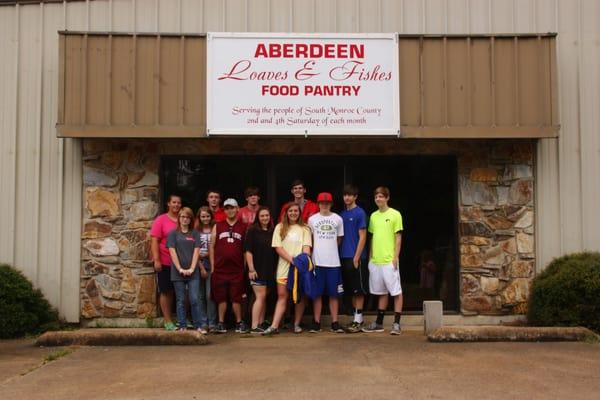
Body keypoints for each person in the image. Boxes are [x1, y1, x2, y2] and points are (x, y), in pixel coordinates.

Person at [263, 203, 311, 335]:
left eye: (296, 211)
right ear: (286, 213)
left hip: (299, 268)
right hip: (284, 268)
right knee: (282, 296)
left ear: (299, 213)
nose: (293, 213)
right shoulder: (280, 227)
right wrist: (292, 260)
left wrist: (301, 262)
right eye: (291, 211)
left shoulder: (305, 228)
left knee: (299, 296)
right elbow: (278, 247)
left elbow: (306, 249)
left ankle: (296, 324)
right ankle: (274, 326)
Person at [362, 186, 404, 335]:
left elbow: (398, 238)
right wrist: (371, 259)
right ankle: (379, 323)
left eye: (381, 196)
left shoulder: (395, 214)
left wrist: (395, 257)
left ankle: (397, 324)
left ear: (387, 198)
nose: (378, 199)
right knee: (381, 292)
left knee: (396, 292)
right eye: (376, 197)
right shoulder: (373, 216)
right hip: (376, 261)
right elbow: (372, 238)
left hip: (389, 260)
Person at [307, 192, 345, 333]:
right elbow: (309, 238)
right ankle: (316, 322)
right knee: (317, 294)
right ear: (318, 204)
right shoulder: (312, 219)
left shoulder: (338, 219)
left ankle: (335, 322)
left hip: (333, 262)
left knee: (334, 294)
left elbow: (339, 239)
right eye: (322, 203)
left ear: (331, 204)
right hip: (317, 262)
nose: (324, 205)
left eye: (327, 203)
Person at [209, 198, 248, 334]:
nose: (230, 210)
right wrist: (213, 267)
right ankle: (221, 323)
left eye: (232, 208)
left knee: (236, 297)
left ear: (237, 209)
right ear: (224, 210)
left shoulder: (243, 227)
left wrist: (244, 268)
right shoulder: (217, 225)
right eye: (227, 208)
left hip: (236, 269)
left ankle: (239, 322)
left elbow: (245, 249)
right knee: (221, 298)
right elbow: (212, 246)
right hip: (220, 269)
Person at [166, 207, 202, 332]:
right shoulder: (173, 234)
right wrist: (180, 268)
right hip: (177, 273)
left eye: (187, 217)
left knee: (194, 299)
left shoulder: (195, 233)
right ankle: (182, 325)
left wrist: (192, 268)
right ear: (179, 218)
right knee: (180, 299)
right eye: (182, 217)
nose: (185, 219)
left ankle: (199, 325)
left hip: (194, 273)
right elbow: (172, 252)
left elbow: (197, 252)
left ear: (191, 219)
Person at [339, 184, 369, 333]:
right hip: (343, 257)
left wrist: (356, 257)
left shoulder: (360, 213)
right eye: (345, 195)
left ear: (355, 197)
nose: (347, 197)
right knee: (350, 290)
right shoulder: (341, 214)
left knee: (359, 290)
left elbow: (363, 237)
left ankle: (359, 319)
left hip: (356, 257)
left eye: (350, 195)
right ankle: (355, 318)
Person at [150, 194, 181, 331]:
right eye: (173, 202)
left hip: (181, 263)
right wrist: (157, 260)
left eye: (178, 203)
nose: (176, 205)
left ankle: (181, 319)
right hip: (165, 261)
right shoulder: (161, 220)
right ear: (168, 204)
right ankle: (167, 320)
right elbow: (154, 240)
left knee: (180, 292)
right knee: (166, 291)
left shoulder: (183, 219)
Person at [244, 206, 277, 333]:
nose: (265, 218)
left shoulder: (272, 231)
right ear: (258, 217)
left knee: (264, 297)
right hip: (257, 269)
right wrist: (251, 269)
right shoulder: (252, 230)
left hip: (269, 269)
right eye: (262, 216)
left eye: (267, 216)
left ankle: (261, 323)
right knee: (260, 296)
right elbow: (248, 251)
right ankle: (254, 326)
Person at [195, 206, 217, 333]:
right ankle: (203, 322)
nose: (205, 218)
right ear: (199, 217)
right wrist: (201, 266)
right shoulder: (196, 231)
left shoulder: (215, 229)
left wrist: (209, 255)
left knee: (210, 294)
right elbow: (193, 249)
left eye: (207, 216)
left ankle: (212, 322)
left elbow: (216, 247)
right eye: (203, 216)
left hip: (211, 261)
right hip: (198, 263)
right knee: (200, 295)